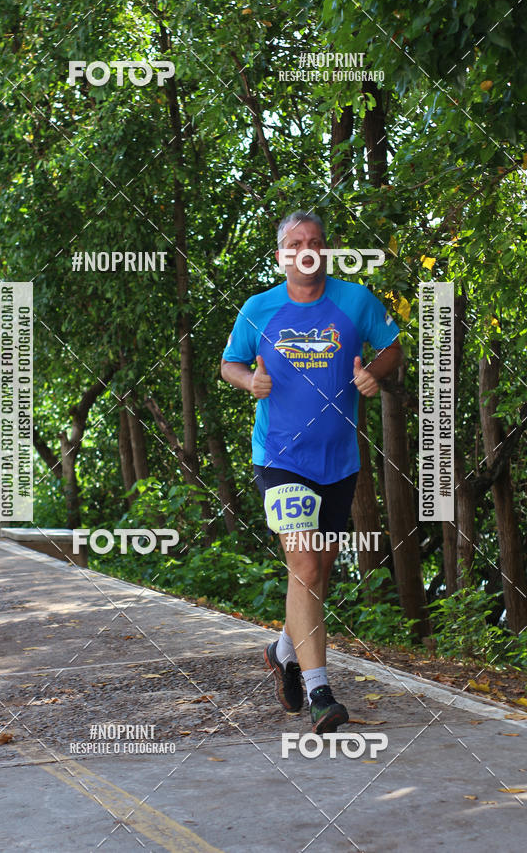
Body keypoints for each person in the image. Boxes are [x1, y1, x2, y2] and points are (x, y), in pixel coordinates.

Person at [221, 212, 402, 734]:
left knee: (318, 567)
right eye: (296, 243)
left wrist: (373, 373)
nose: (307, 250)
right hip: (279, 458)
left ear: (325, 250)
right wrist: (247, 382)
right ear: (282, 254)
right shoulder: (259, 309)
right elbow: (229, 363)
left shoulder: (354, 302)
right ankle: (321, 691)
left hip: (339, 461)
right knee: (304, 560)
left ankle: (283, 649)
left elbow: (392, 348)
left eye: (316, 242)